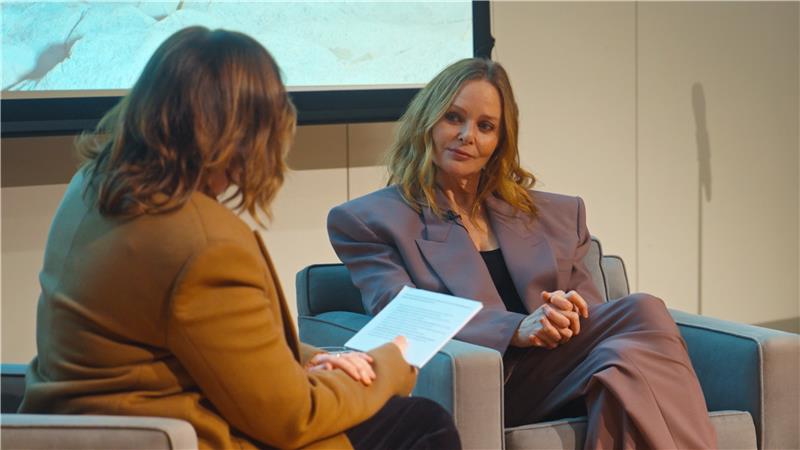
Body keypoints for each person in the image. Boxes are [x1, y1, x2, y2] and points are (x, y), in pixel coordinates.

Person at [18, 27, 461, 450]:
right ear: (246, 135)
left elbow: (204, 343)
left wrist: (314, 359)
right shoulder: (206, 245)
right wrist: (391, 365)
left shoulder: (95, 183)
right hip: (176, 433)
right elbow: (294, 417)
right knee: (422, 425)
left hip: (84, 422)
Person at [327, 58, 717, 449]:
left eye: (485, 126)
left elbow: (594, 315)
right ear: (426, 122)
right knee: (642, 310)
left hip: (566, 368)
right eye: (453, 117)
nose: (467, 135)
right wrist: (516, 329)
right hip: (479, 379)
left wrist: (562, 313)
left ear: (501, 141)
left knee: (627, 360)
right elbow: (401, 314)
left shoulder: (557, 214)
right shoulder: (369, 221)